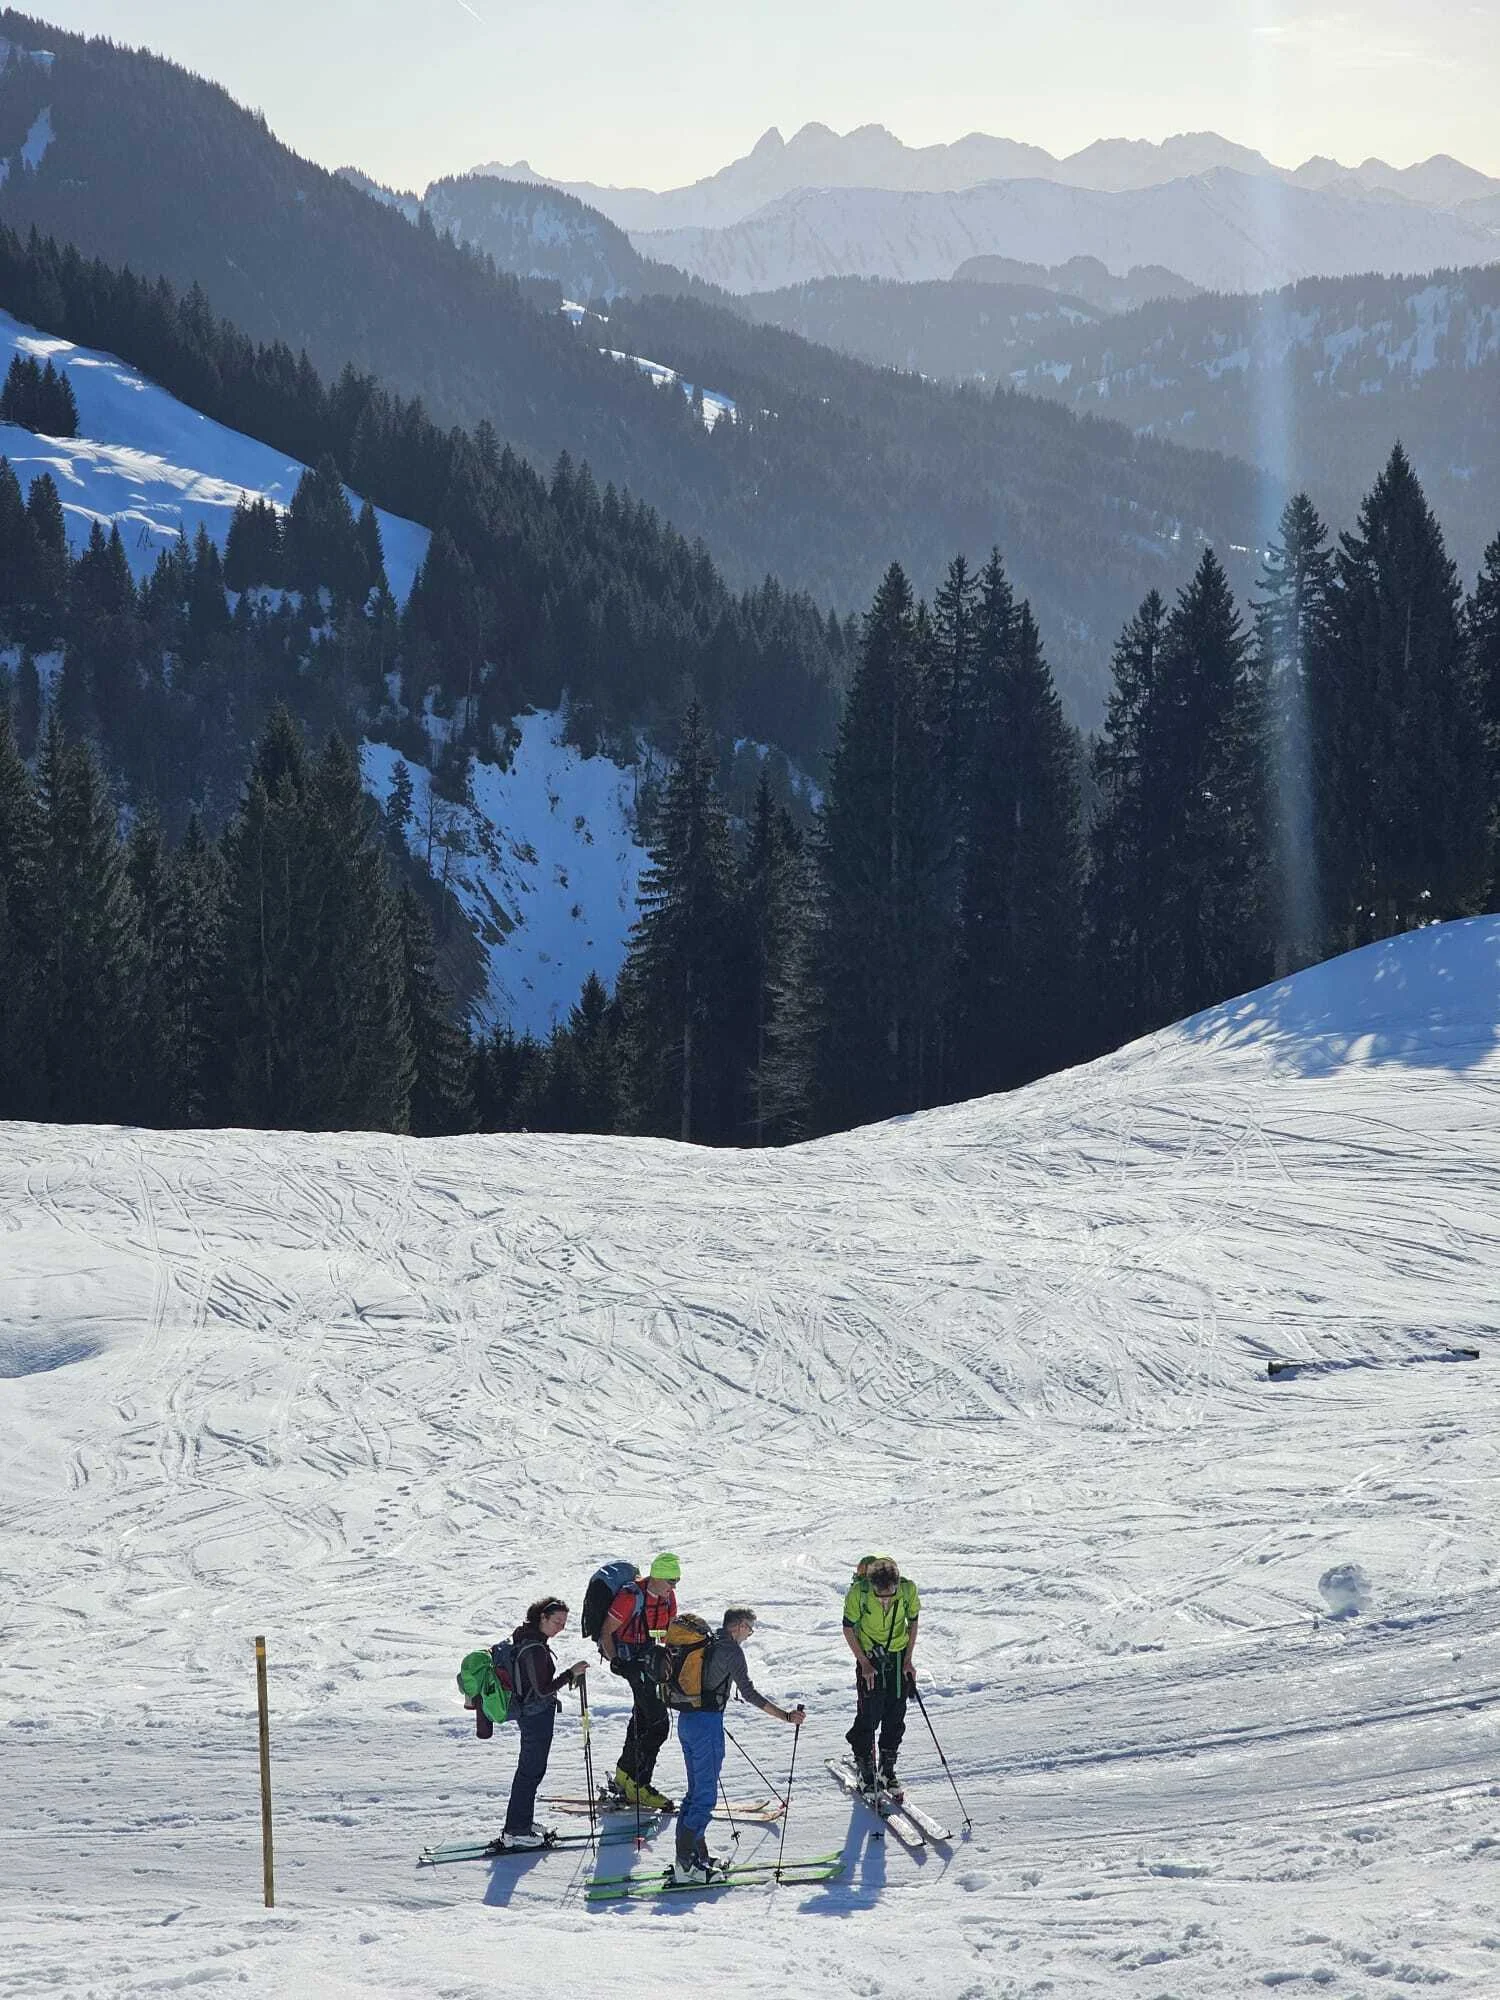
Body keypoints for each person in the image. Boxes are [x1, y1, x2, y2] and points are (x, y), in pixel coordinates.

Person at [672, 1607, 804, 1885]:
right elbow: (749, 1693)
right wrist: (786, 1716)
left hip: (686, 1721)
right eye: (750, 1628)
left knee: (695, 1793)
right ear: (739, 1626)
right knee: (705, 1797)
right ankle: (687, 1867)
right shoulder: (731, 1650)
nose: (750, 1633)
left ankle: (695, 1856)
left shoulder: (706, 1643)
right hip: (706, 1725)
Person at [497, 1595, 589, 1850]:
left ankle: (521, 1822)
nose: (560, 1626)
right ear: (542, 1618)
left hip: (530, 1713)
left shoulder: (526, 1638)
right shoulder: (534, 1648)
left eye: (563, 1622)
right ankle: (515, 1830)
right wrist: (571, 1673)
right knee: (530, 1772)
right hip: (535, 1715)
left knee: (529, 1771)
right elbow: (542, 1689)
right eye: (556, 1621)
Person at [599, 1551, 680, 1810]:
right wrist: (617, 1663)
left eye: (676, 1582)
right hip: (631, 1663)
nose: (673, 1587)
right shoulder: (630, 1597)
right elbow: (606, 1631)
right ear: (656, 1577)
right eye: (671, 1581)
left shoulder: (667, 1598)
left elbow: (669, 1632)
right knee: (658, 1724)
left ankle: (625, 1775)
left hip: (651, 1663)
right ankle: (638, 1785)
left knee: (643, 1717)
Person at [842, 1554, 920, 1793]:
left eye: (890, 1594)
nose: (885, 1599)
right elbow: (848, 1628)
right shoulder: (859, 1593)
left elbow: (913, 1622)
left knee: (896, 1713)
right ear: (872, 1585)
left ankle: (887, 1769)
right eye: (880, 1594)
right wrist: (864, 1663)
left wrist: (908, 1660)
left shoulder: (907, 1590)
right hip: (870, 1658)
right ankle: (865, 1768)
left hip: (897, 1657)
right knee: (869, 1714)